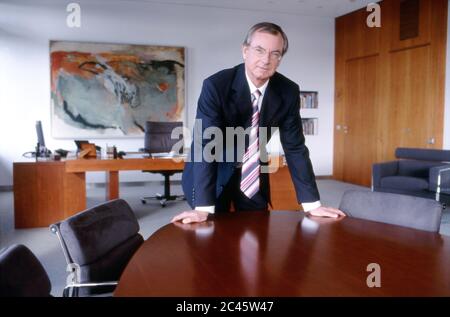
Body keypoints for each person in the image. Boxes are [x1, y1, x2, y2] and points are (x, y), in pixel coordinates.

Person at [172, 22, 345, 224]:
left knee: (256, 232)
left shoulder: (288, 91)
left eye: (275, 54)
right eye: (259, 50)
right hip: (214, 170)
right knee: (211, 234)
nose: (266, 60)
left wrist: (313, 205)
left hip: (253, 172)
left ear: (280, 58)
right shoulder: (216, 86)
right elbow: (206, 145)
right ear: (245, 51)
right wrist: (203, 207)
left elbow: (295, 147)